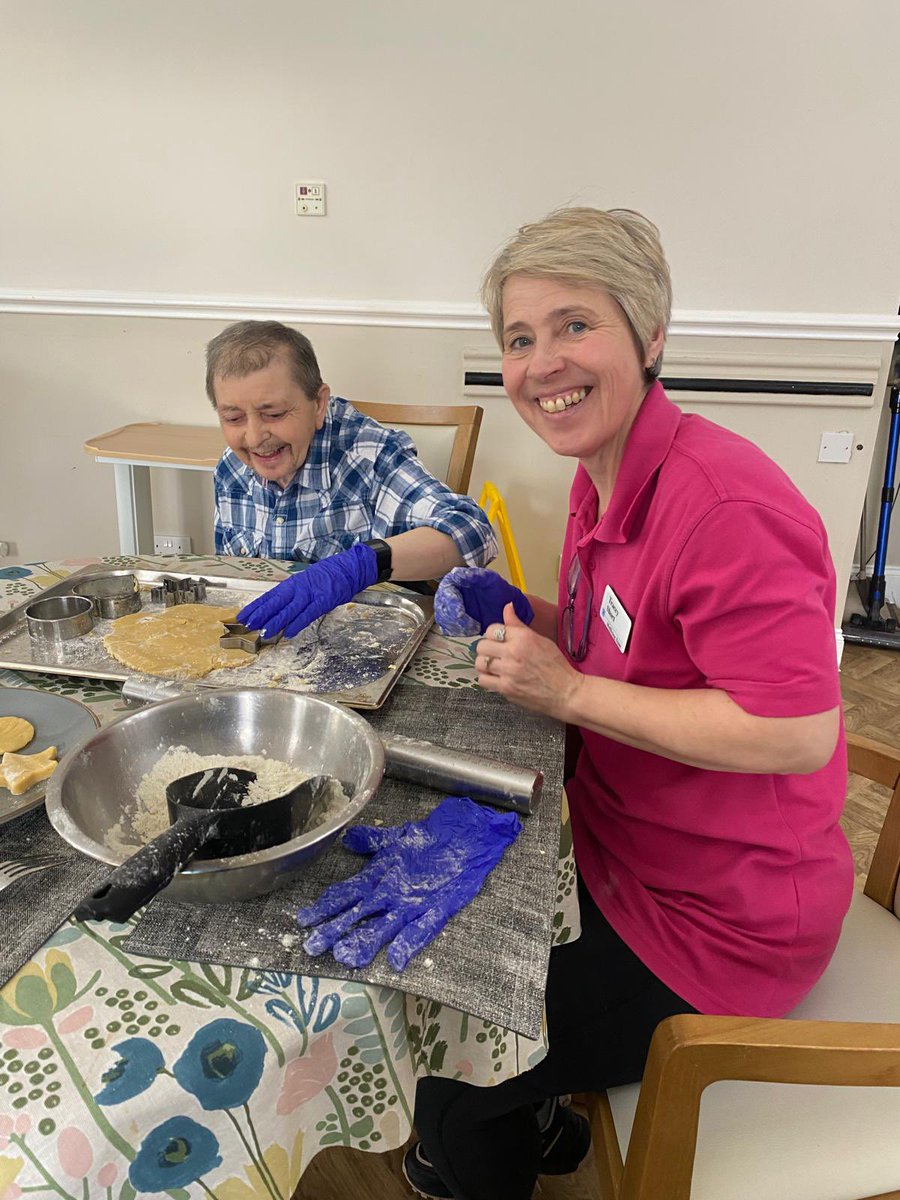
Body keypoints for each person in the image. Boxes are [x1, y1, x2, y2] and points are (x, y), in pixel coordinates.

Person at [403, 207, 853, 1200]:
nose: (542, 362)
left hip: (718, 926)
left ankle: (485, 1133)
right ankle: (534, 1135)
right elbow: (631, 638)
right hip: (611, 852)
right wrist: (535, 615)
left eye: (575, 325)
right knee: (438, 958)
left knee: (448, 1060)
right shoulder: (601, 475)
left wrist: (567, 688)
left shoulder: (722, 506)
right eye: (520, 339)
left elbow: (792, 731)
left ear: (651, 336)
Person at [206, 320, 496, 636]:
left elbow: (474, 531)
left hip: (361, 644)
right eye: (233, 418)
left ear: (318, 404)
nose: (255, 436)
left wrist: (358, 566)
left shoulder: (368, 455)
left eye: (273, 414)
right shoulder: (231, 468)